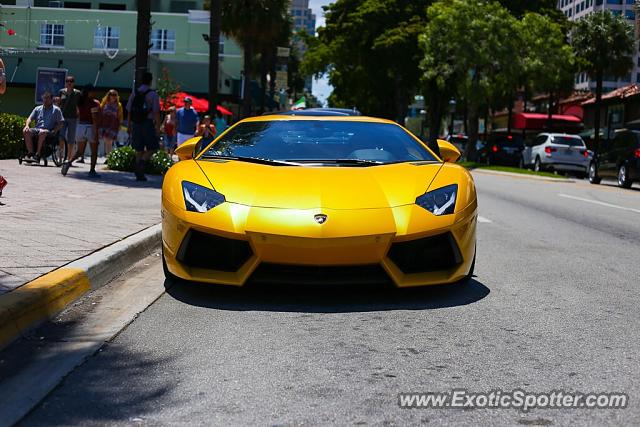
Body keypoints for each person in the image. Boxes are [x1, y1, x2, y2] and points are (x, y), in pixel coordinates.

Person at [126, 71, 161, 181]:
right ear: (150, 81)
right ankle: (141, 164)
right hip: (147, 122)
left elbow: (129, 110)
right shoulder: (153, 94)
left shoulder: (135, 93)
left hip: (136, 123)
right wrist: (158, 128)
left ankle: (138, 171)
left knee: (139, 149)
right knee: (153, 147)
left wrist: (129, 125)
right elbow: (156, 112)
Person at [61, 84, 101, 177]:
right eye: (93, 91)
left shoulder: (80, 103)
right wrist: (95, 132)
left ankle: (68, 162)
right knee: (94, 151)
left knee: (79, 151)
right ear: (89, 92)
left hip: (80, 127)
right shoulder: (94, 103)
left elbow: (78, 114)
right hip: (90, 127)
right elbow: (94, 119)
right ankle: (92, 171)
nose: (95, 93)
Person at [22, 91, 64, 163]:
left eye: (47, 98)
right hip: (37, 129)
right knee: (26, 131)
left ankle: (38, 154)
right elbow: (29, 118)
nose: (45, 100)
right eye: (44, 98)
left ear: (51, 99)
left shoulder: (56, 110)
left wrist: (55, 130)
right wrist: (27, 125)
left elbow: (61, 123)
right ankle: (30, 153)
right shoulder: (37, 108)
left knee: (42, 132)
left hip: (49, 131)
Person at [58, 75, 81, 163]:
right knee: (61, 137)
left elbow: (80, 104)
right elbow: (59, 103)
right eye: (67, 81)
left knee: (71, 138)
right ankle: (60, 157)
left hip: (73, 118)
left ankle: (69, 158)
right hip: (63, 117)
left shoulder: (77, 93)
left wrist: (79, 113)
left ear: (73, 83)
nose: (69, 83)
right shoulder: (61, 92)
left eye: (71, 81)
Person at [99, 89, 123, 157]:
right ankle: (108, 155)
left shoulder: (119, 105)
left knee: (109, 141)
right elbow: (100, 112)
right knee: (106, 140)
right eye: (111, 95)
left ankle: (108, 156)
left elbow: (120, 116)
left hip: (113, 125)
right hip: (104, 124)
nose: (113, 96)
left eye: (115, 95)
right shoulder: (104, 103)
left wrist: (120, 125)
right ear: (108, 95)